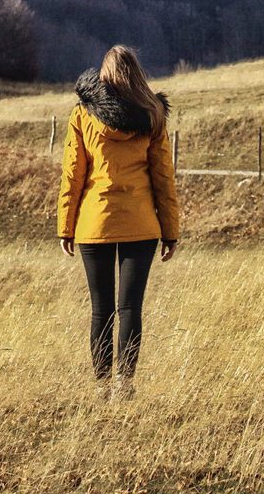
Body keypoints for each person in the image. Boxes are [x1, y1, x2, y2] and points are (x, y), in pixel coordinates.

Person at [57, 44, 180, 401]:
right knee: (129, 309)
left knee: (101, 309)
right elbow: (163, 177)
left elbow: (72, 175)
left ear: (104, 75)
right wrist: (170, 230)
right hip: (141, 226)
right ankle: (124, 385)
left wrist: (66, 225)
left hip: (94, 225)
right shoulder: (154, 115)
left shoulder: (82, 115)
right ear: (137, 73)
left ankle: (100, 386)